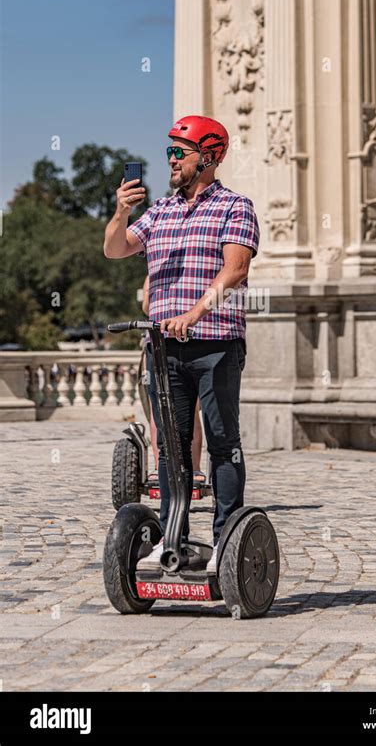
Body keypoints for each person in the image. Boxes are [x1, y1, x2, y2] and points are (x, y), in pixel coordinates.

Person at [103, 115, 259, 574]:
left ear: (208, 157)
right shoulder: (161, 212)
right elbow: (115, 249)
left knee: (222, 443)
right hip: (165, 349)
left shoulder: (235, 206)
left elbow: (235, 271)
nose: (170, 160)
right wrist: (120, 212)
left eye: (179, 152)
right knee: (171, 447)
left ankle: (226, 542)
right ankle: (173, 538)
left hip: (215, 345)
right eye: (168, 151)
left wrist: (195, 313)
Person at [141, 274, 205, 481]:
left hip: (182, 337)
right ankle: (168, 466)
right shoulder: (155, 273)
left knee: (182, 408)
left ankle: (190, 467)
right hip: (160, 339)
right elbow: (146, 307)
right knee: (161, 409)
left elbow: (146, 306)